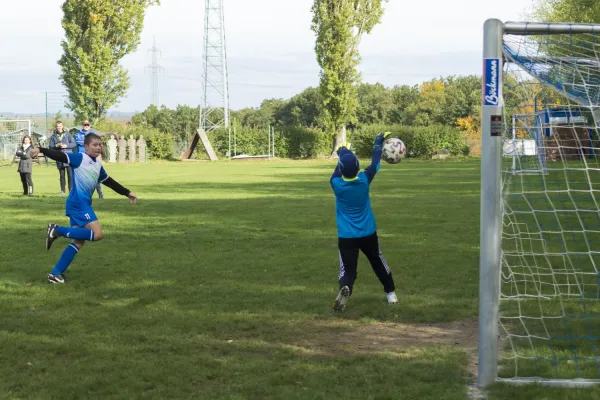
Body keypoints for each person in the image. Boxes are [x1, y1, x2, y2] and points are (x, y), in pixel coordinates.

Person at [30, 133, 138, 284]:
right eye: (95, 145)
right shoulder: (80, 158)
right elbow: (60, 156)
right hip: (78, 203)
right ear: (86, 147)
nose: (98, 147)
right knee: (97, 234)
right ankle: (57, 230)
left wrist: (127, 193)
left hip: (80, 203)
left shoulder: (97, 165)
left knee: (78, 242)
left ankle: (55, 274)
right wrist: (42, 149)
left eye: (100, 144)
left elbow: (109, 182)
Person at [330, 132, 398, 312]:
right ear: (358, 167)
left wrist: (342, 152)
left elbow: (339, 169)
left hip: (346, 236)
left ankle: (346, 288)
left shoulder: (336, 184)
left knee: (348, 270)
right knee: (378, 262)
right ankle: (391, 294)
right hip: (368, 232)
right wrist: (378, 141)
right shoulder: (364, 180)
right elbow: (375, 162)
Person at [75, 120, 104, 198]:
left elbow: (97, 143)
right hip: (82, 158)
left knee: (96, 175)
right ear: (83, 125)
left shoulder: (93, 134)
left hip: (92, 157)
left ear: (90, 125)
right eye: (85, 125)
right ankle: (83, 194)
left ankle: (100, 192)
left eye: (87, 125)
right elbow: (81, 142)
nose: (86, 126)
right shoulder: (78, 134)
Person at [48, 120, 76, 194]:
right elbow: (50, 147)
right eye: (57, 126)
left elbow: (74, 144)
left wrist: (66, 146)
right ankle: (62, 191)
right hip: (59, 157)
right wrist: (56, 146)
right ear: (56, 127)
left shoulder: (68, 134)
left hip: (68, 157)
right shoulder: (53, 136)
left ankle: (71, 190)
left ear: (62, 126)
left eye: (60, 126)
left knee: (70, 175)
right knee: (62, 175)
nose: (59, 127)